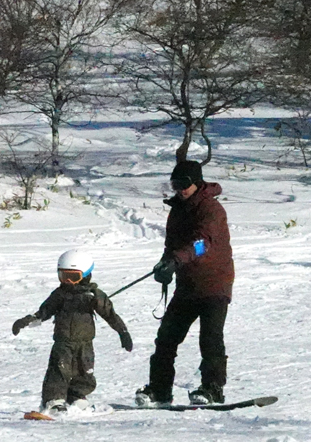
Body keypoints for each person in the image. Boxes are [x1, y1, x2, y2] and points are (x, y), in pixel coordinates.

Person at [136, 159, 234, 406]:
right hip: (187, 285)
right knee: (166, 338)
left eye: (183, 184)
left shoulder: (211, 210)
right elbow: (172, 245)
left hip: (214, 283)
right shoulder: (177, 209)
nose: (179, 189)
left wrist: (176, 260)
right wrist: (165, 264)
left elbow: (202, 244)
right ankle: (159, 390)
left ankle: (212, 389)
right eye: (174, 184)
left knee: (210, 339)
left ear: (196, 182)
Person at [12, 249, 134, 413]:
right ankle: (54, 400)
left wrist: (123, 332)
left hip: (85, 342)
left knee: (85, 371)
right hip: (63, 342)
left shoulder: (93, 296)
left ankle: (76, 396)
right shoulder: (59, 295)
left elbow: (110, 315)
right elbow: (44, 312)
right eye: (64, 276)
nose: (68, 281)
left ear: (85, 275)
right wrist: (26, 321)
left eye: (74, 277)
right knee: (59, 369)